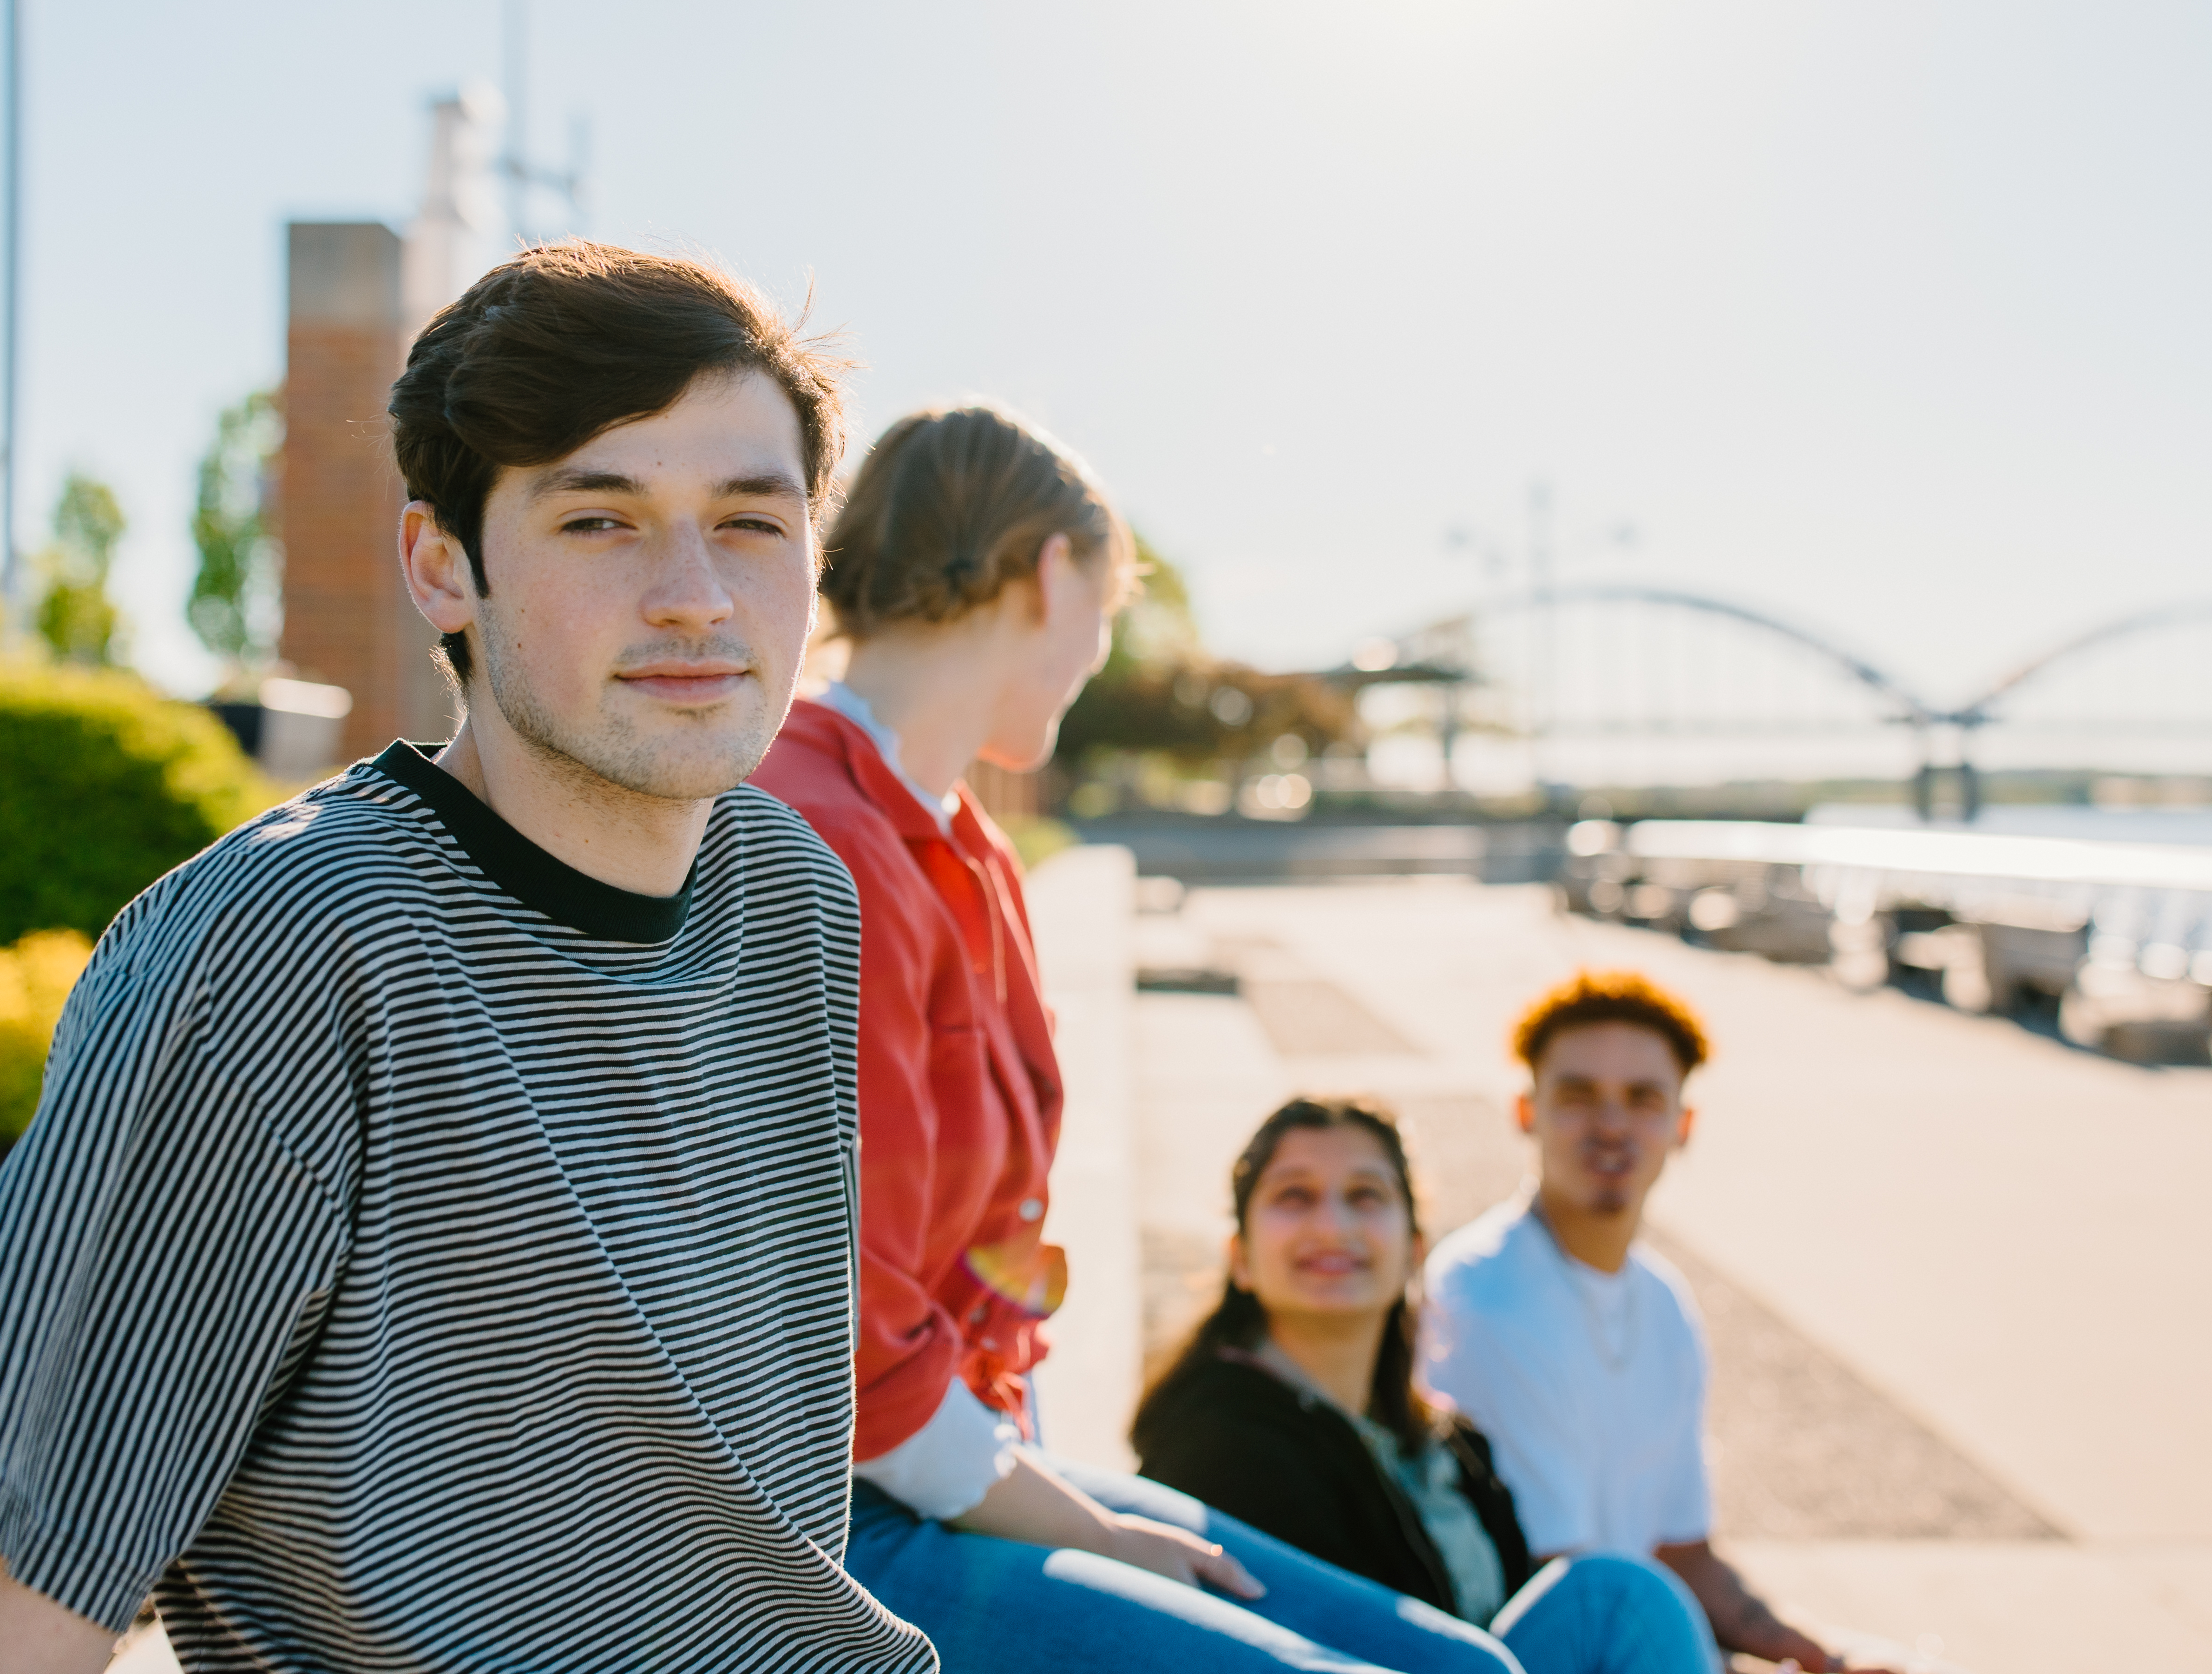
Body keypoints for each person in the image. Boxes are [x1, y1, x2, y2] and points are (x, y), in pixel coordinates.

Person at [0, 244, 935, 1673]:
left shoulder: (792, 894)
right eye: (599, 519)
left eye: (748, 522)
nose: (693, 594)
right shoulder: (285, 948)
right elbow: (16, 1609)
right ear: (441, 565)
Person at [751, 404, 1514, 1674]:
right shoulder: (821, 830)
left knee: (1464, 1662)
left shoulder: (967, 847)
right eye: (1102, 609)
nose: (1096, 654)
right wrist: (1084, 1523)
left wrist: (1055, 1490)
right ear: (1050, 573)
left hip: (954, 1459)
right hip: (830, 1519)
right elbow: (853, 1355)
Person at [1132, 1097, 1723, 1674]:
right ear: (1240, 1258)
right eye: (1295, 1196)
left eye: (1365, 1196)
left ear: (1415, 1249)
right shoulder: (1216, 1439)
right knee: (1612, 1599)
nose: (1333, 1225)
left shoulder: (1450, 1445)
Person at [1422, 971, 1871, 1674]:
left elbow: (1681, 1553)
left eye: (1642, 1098)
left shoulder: (1663, 1301)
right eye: (1577, 1095)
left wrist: (1828, 1654)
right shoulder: (1485, 1293)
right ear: (1523, 1111)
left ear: (1681, 1125)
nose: (1610, 1123)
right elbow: (1576, 1592)